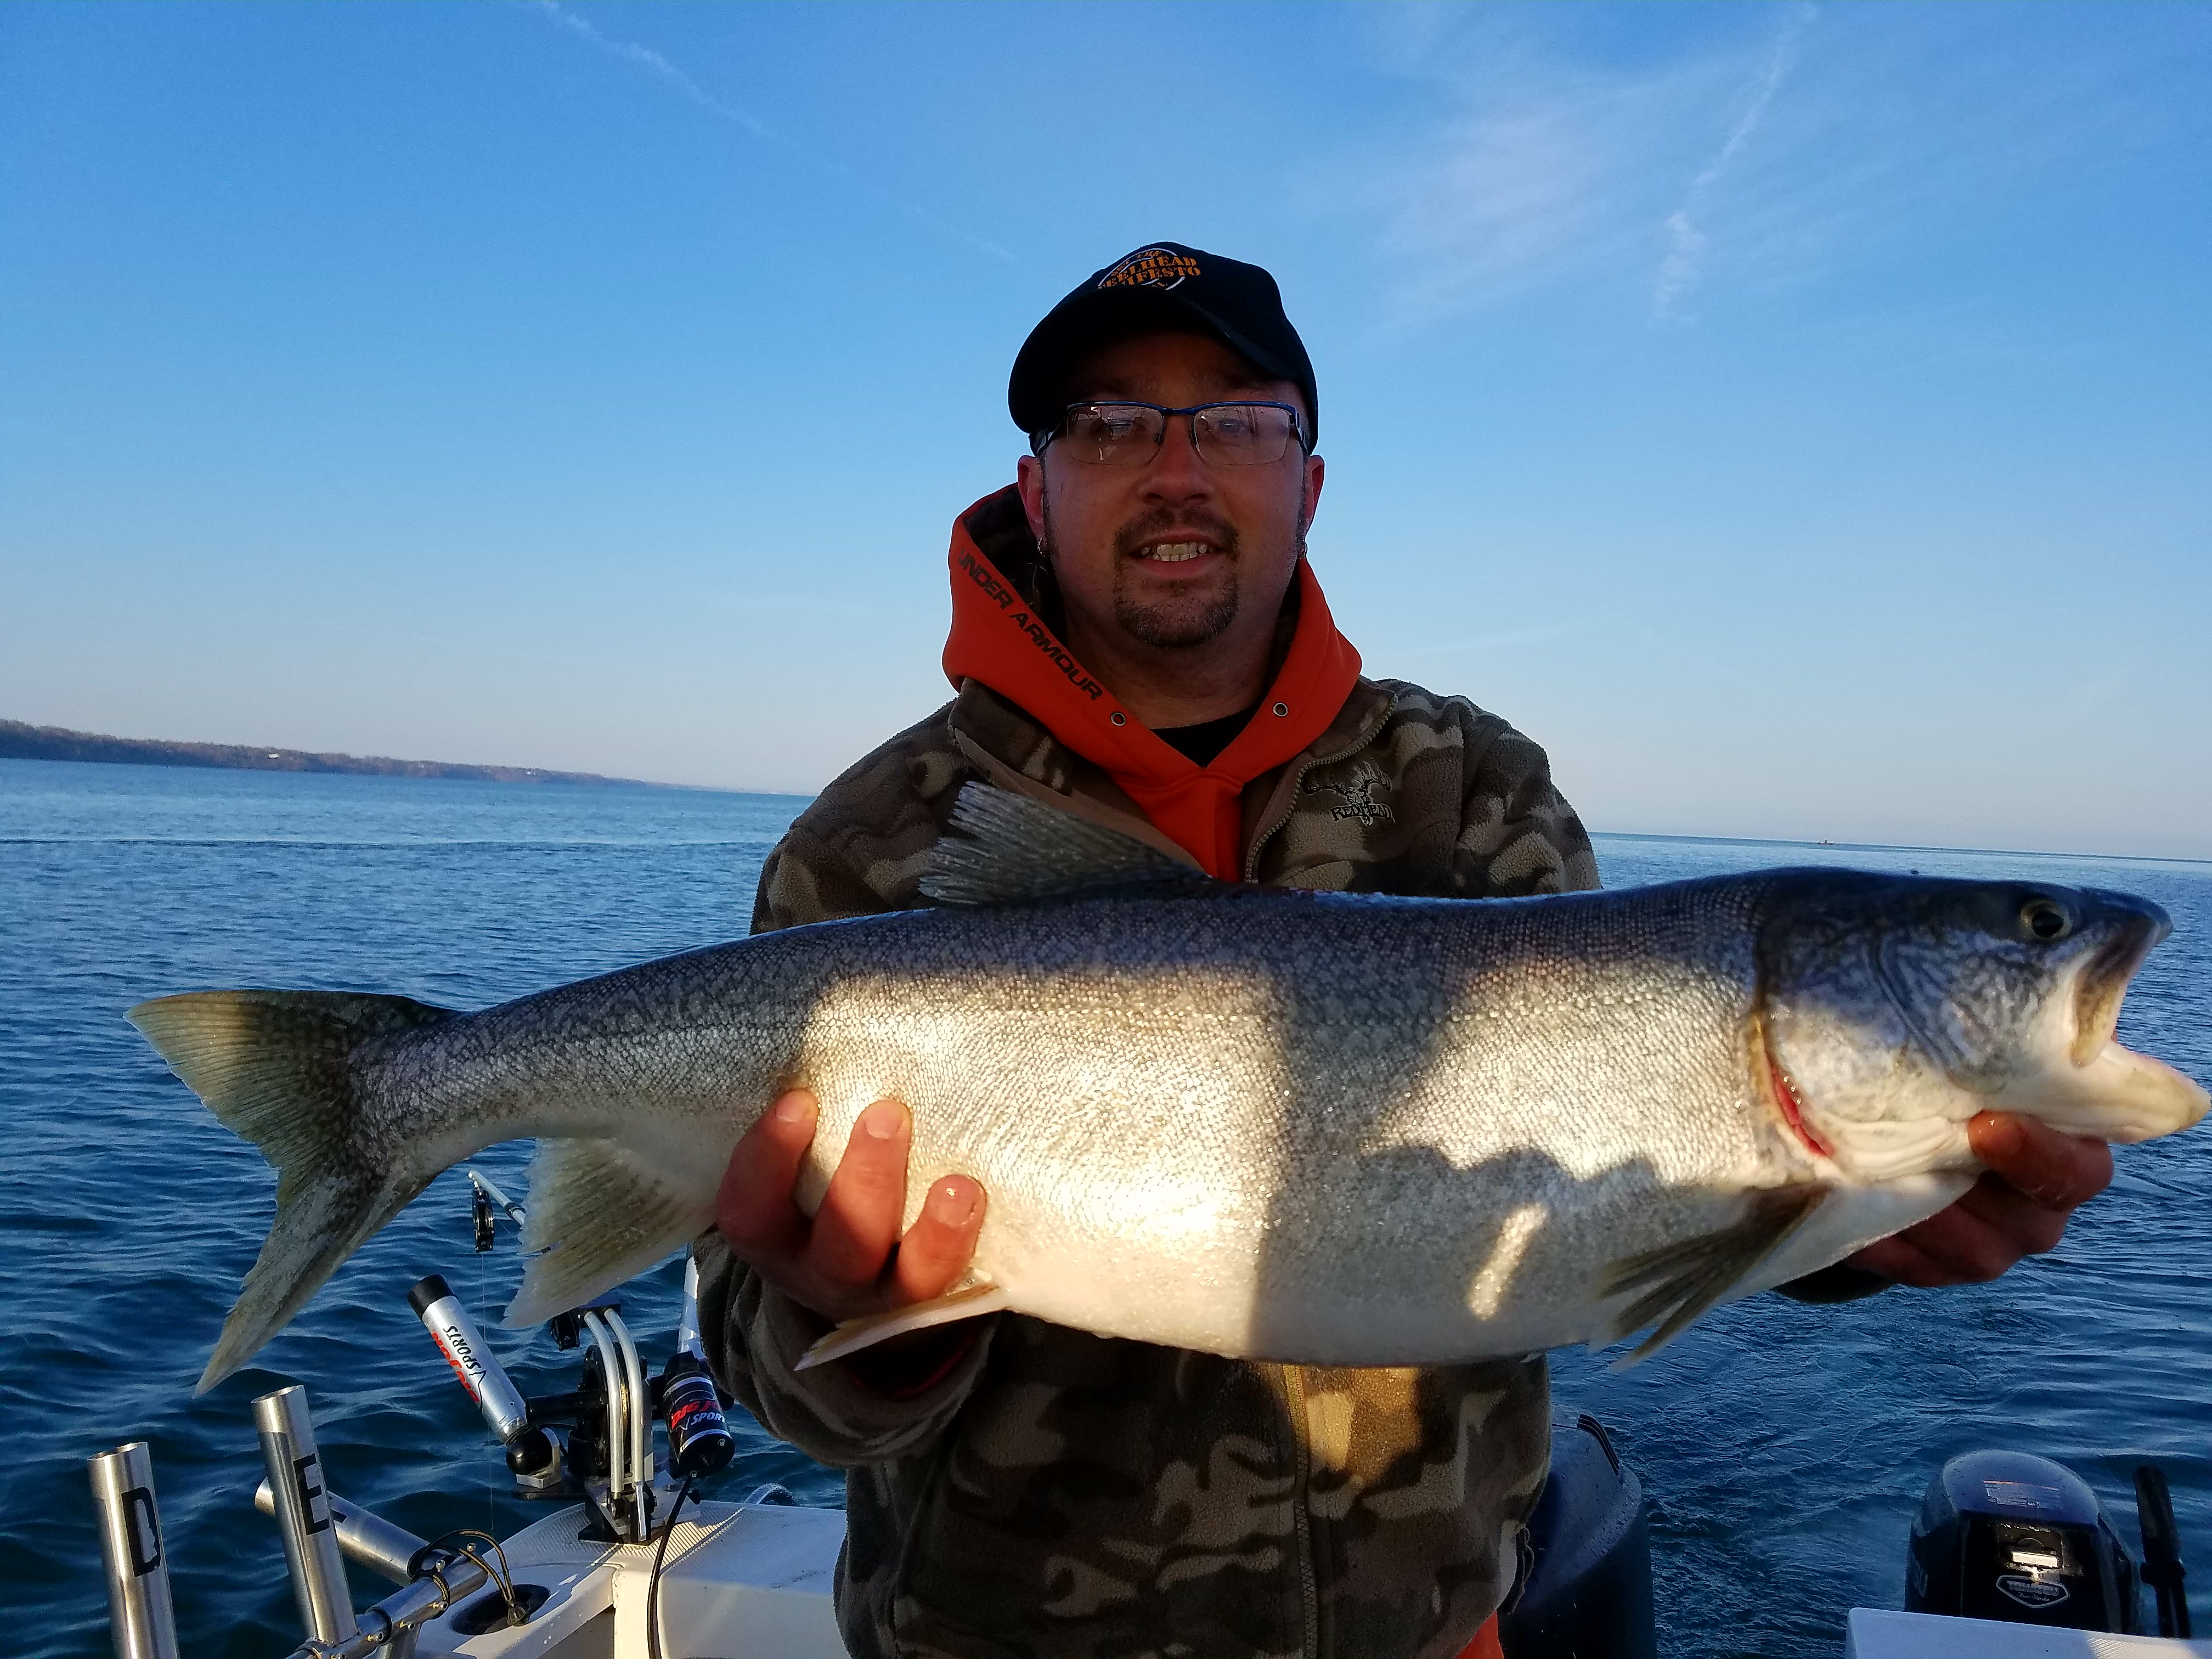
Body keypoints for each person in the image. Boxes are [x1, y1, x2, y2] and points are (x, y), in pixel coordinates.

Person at [691, 242, 2114, 1659]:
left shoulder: (1472, 787)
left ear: (1311, 479)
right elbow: (763, 1363)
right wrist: (876, 1319)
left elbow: (1613, 1155)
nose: (1175, 468)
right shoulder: (870, 846)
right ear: (1033, 486)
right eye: (1112, 424)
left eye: (1237, 422)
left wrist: (1844, 1232)